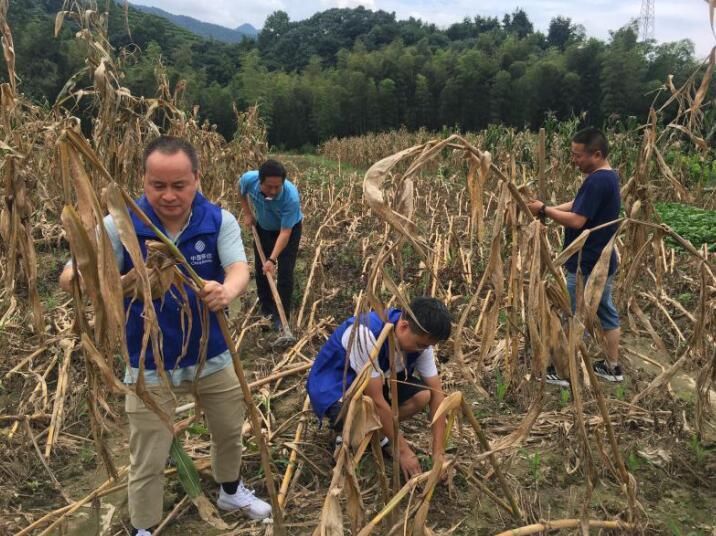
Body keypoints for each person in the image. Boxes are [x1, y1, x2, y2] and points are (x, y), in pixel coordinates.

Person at [59, 136, 271, 536]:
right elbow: (71, 275)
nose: (169, 195)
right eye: (158, 185)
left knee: (229, 430)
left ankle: (230, 489)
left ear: (196, 180)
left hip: (213, 353)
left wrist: (226, 290)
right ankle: (144, 527)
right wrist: (119, 281)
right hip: (150, 364)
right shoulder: (120, 225)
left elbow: (239, 267)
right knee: (148, 455)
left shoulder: (218, 220)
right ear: (143, 180)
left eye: (179, 185)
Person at [306, 297, 452, 480]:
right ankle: (351, 433)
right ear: (404, 327)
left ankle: (375, 434)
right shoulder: (366, 333)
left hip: (377, 382)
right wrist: (404, 451)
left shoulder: (422, 344)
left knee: (423, 396)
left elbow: (437, 395)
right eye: (421, 345)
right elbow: (375, 399)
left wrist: (438, 453)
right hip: (337, 387)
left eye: (428, 346)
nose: (424, 350)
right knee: (355, 411)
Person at [527, 127, 623, 385]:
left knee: (564, 313)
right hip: (601, 260)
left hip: (587, 263)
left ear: (597, 154)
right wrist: (545, 210)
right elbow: (579, 205)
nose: (574, 160)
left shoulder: (597, 180)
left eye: (578, 155)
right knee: (606, 312)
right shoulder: (608, 177)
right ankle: (613, 367)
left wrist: (545, 209)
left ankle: (560, 371)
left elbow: (577, 220)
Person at [238, 160, 303, 329]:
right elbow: (240, 191)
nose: (273, 191)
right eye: (269, 187)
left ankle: (281, 317)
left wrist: (272, 260)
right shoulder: (248, 180)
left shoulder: (291, 197)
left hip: (288, 230)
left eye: (277, 187)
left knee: (285, 273)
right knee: (261, 271)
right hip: (264, 227)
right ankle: (266, 310)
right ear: (260, 181)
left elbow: (285, 233)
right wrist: (247, 213)